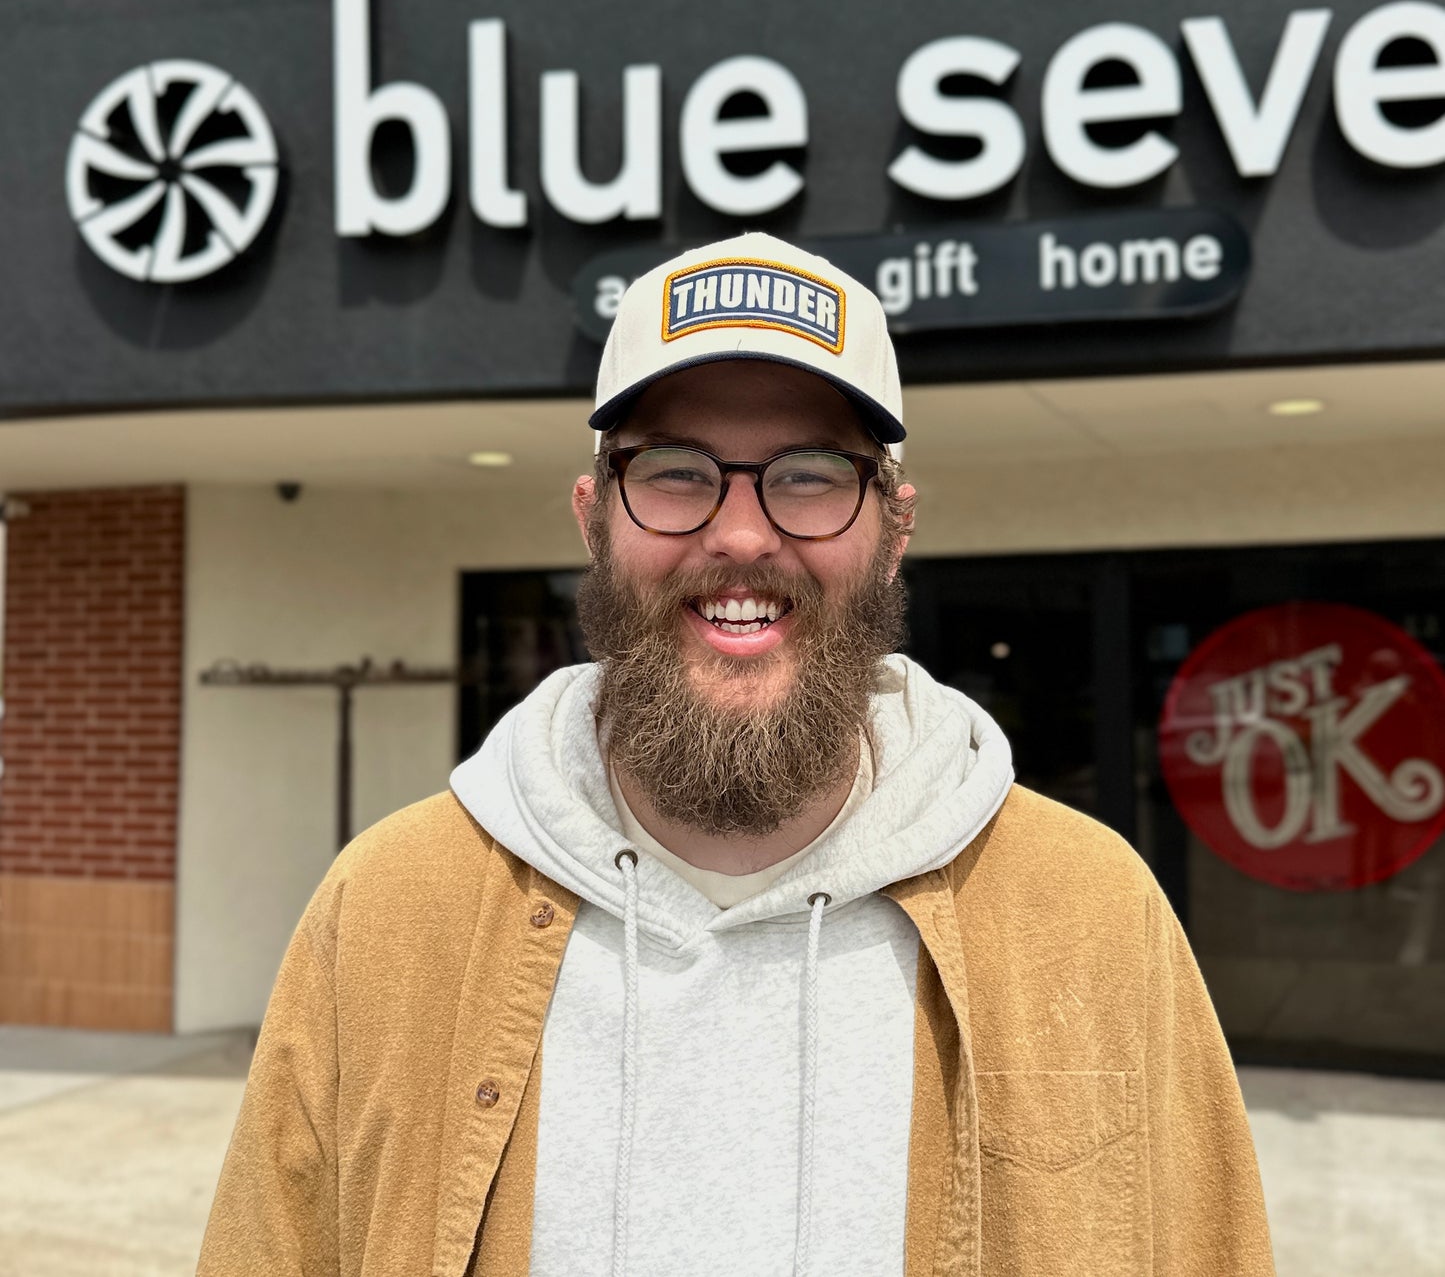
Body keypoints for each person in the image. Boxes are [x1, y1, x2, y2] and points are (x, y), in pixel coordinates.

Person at [198, 232, 1275, 1277]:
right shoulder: (389, 909)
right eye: (674, 471)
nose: (744, 535)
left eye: (809, 473)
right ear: (593, 517)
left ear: (893, 526)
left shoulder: (1086, 910)